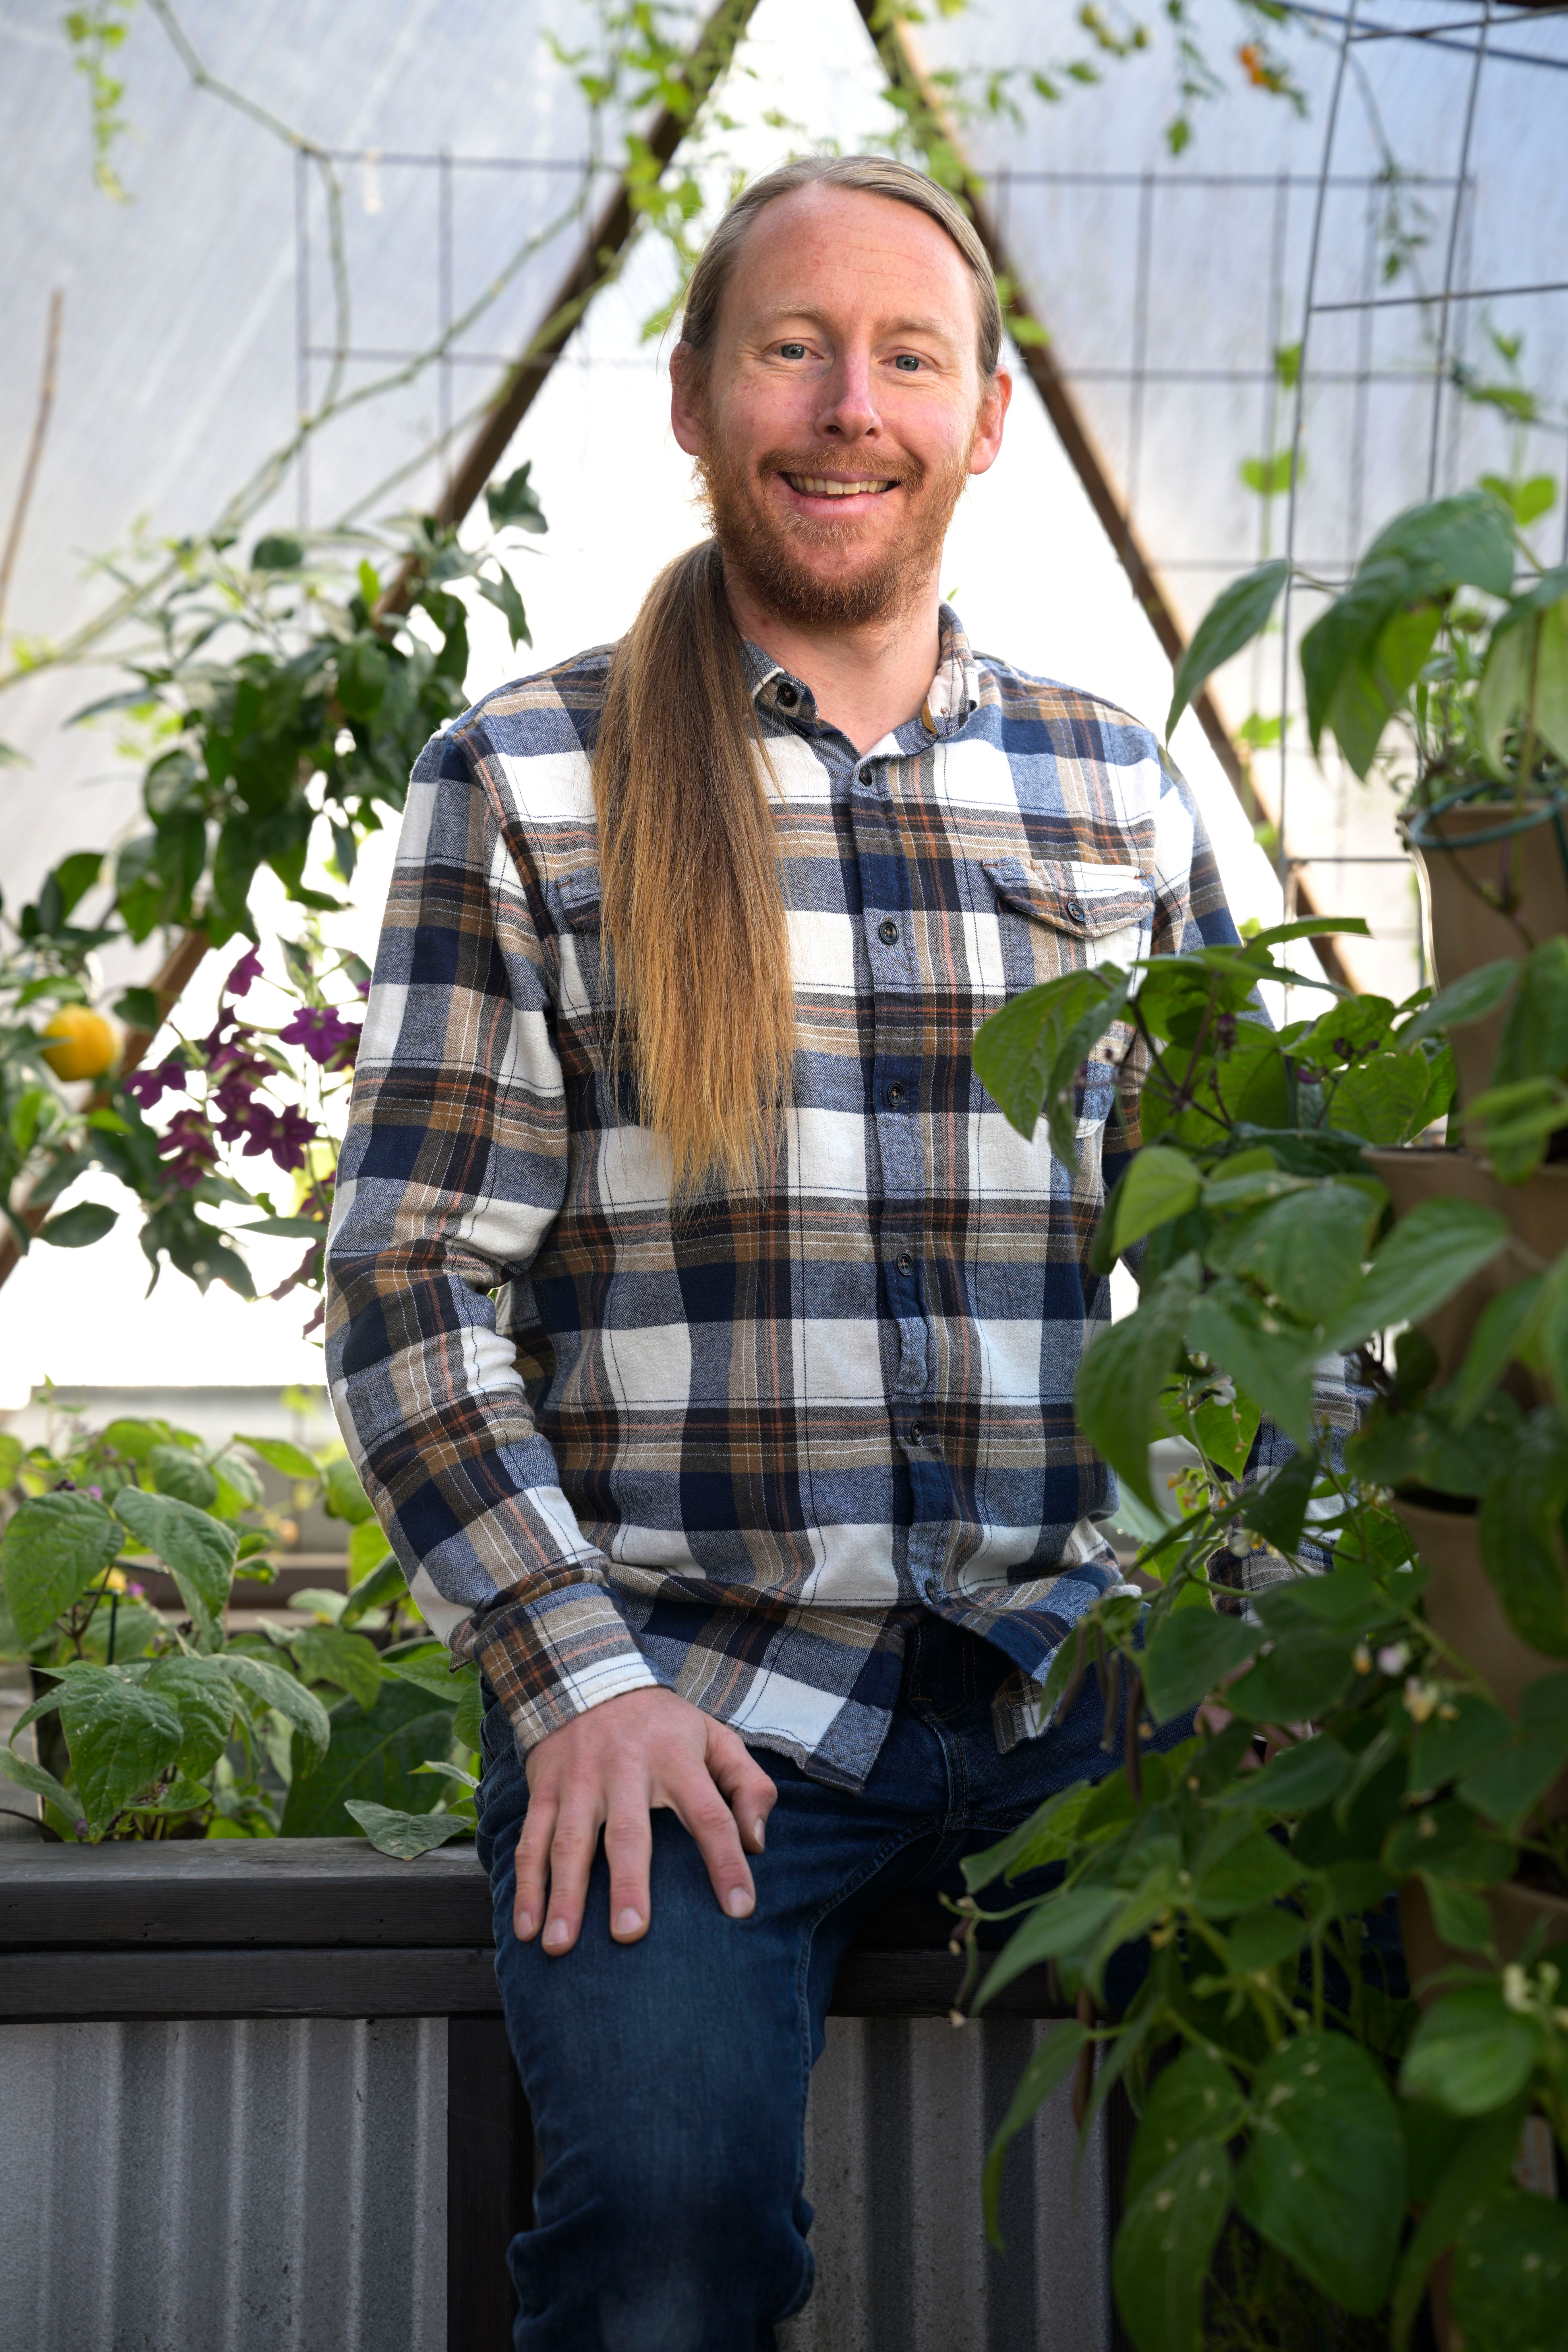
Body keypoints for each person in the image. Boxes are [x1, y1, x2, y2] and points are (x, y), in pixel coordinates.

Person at [327, 153, 1251, 2350]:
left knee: (1324, 2105)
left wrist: (1251, 1600)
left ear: (985, 417)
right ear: (692, 397)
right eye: (793, 347)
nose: (850, 404)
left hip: (1075, 1679)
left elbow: (1245, 1249)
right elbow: (410, 1279)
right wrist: (576, 1678)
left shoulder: (1109, 786)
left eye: (904, 358)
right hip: (702, 1692)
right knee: (667, 2238)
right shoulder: (530, 781)